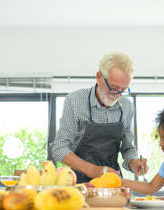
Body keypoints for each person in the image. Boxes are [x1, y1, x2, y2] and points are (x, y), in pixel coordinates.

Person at [50, 52, 147, 183]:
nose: (118, 95)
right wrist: (94, 171)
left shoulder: (127, 106)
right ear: (99, 77)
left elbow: (128, 148)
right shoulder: (75, 100)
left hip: (112, 181)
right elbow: (59, 148)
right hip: (78, 182)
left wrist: (134, 163)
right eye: (114, 88)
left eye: (123, 90)